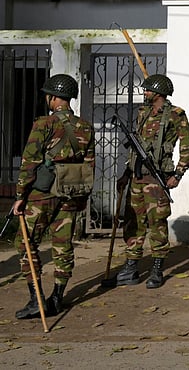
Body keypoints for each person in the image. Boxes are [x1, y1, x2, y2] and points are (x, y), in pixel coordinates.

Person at [13, 74, 95, 319]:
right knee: (63, 245)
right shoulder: (85, 126)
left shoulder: (43, 124)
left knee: (25, 243)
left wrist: (20, 195)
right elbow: (89, 164)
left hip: (42, 195)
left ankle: (35, 298)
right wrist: (82, 196)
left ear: (53, 97)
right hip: (70, 193)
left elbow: (29, 162)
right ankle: (57, 297)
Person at [114, 74, 189, 288]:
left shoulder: (177, 115)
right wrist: (126, 174)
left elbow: (188, 149)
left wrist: (177, 175)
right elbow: (135, 148)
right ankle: (131, 267)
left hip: (157, 179)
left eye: (148, 90)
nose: (145, 93)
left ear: (158, 92)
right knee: (133, 222)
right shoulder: (143, 113)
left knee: (157, 223)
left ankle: (157, 268)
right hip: (137, 177)